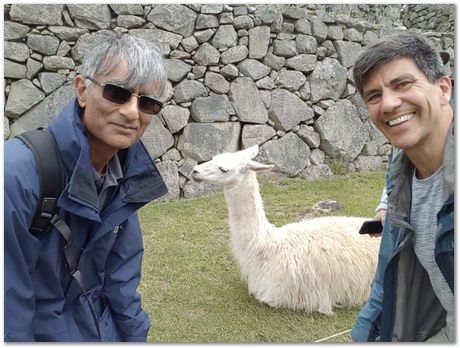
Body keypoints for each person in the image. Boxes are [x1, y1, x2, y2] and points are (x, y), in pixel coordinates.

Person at [4, 33, 169, 341]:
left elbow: (121, 285)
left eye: (147, 102)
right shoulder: (15, 177)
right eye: (118, 93)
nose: (133, 112)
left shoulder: (123, 179)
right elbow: (8, 316)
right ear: (82, 90)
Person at [350, 31, 454, 342]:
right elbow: (387, 281)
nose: (390, 104)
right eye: (374, 96)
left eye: (403, 84)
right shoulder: (402, 178)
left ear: (443, 88)